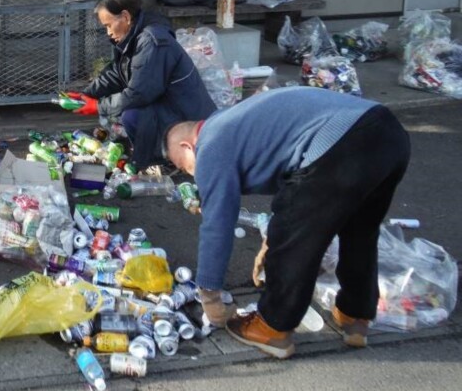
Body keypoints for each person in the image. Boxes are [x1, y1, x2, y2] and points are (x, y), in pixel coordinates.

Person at [164, 86, 410, 359]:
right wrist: (274, 238)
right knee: (359, 232)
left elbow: (217, 224)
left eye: (185, 166)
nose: (192, 175)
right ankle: (356, 315)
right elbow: (295, 189)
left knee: (295, 243)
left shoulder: (209, 144)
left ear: (188, 146)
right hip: (388, 134)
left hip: (342, 141)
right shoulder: (234, 123)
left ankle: (273, 327)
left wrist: (209, 293)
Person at [66, 0, 216, 169]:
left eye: (108, 25)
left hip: (186, 114)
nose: (108, 32)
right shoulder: (133, 36)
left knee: (132, 114)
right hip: (167, 104)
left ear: (126, 17)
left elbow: (139, 93)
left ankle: (165, 159)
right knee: (129, 113)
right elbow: (117, 72)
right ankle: (158, 155)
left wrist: (98, 106)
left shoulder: (153, 42)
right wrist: (88, 94)